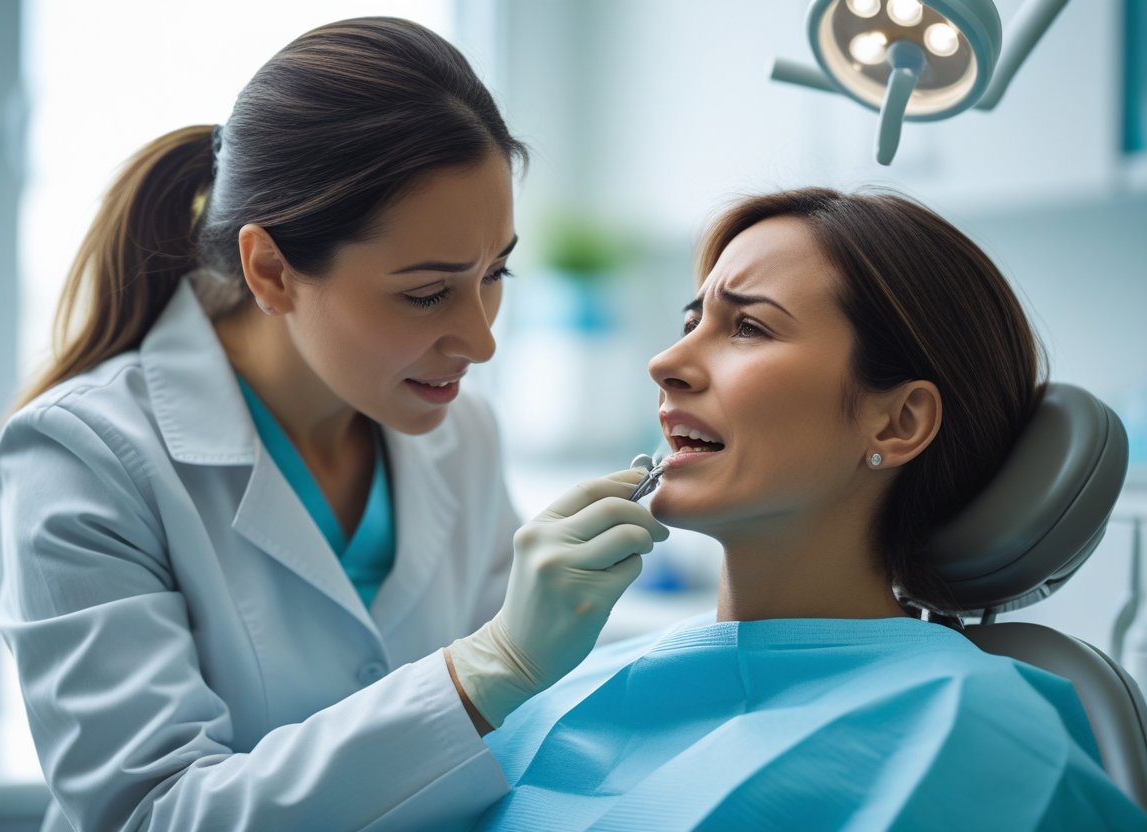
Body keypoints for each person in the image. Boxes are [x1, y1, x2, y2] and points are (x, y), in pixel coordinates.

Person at [0, 17, 666, 831]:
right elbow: (152, 814)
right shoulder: (84, 456)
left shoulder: (460, 434)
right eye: (427, 293)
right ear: (271, 271)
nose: (482, 339)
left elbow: (527, 730)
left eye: (495, 273)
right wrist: (486, 670)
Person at [473, 187, 1147, 831]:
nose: (666, 362)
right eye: (690, 322)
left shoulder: (975, 733)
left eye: (747, 328)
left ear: (897, 423)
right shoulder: (572, 675)